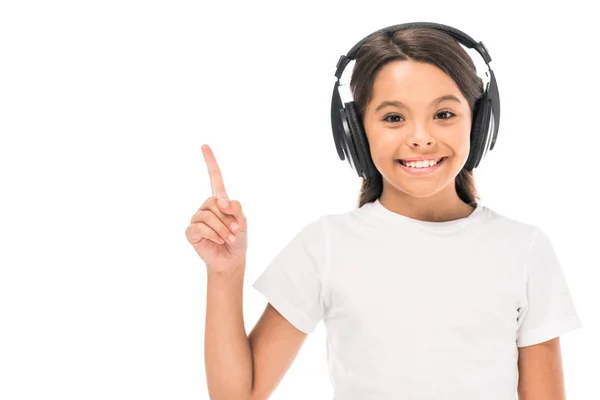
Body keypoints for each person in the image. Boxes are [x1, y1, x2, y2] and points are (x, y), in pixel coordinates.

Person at [187, 22, 583, 400]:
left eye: (444, 114)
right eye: (394, 118)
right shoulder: (326, 245)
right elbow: (238, 394)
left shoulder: (523, 248)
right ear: (356, 133)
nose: (421, 138)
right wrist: (225, 273)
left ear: (478, 122)